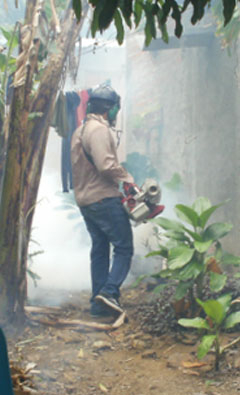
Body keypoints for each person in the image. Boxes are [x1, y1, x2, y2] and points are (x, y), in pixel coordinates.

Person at [70, 84, 136, 317]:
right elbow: (106, 165)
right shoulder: (98, 130)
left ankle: (99, 304)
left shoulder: (80, 130)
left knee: (100, 249)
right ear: (108, 108)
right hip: (103, 199)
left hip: (86, 201)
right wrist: (128, 180)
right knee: (124, 247)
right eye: (115, 108)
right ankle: (109, 292)